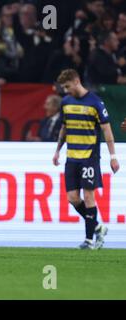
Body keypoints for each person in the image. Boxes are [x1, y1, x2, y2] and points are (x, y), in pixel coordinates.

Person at [53, 69, 120, 250]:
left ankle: (89, 240)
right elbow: (64, 127)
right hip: (72, 157)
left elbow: (107, 130)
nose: (65, 91)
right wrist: (58, 150)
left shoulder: (95, 103)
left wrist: (113, 157)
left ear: (76, 81)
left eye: (67, 86)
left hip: (89, 157)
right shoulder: (66, 102)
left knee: (89, 196)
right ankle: (98, 226)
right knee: (72, 198)